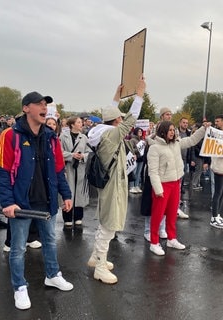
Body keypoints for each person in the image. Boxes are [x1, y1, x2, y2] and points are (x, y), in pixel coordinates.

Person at [0, 91, 73, 310]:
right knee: (18, 248)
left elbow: (59, 169)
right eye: (39, 104)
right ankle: (19, 287)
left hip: (47, 201)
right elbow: (2, 172)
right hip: (21, 204)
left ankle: (52, 274)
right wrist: (7, 203)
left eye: (45, 104)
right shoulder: (10, 136)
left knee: (50, 241)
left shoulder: (51, 137)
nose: (44, 108)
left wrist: (66, 194)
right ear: (26, 108)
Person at [86, 76, 146, 284]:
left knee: (105, 223)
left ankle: (96, 257)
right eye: (119, 117)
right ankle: (100, 267)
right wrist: (139, 95)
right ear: (117, 121)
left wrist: (116, 98)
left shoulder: (100, 131)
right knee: (109, 226)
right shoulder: (112, 134)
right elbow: (131, 119)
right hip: (113, 183)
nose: (121, 119)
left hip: (108, 181)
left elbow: (111, 115)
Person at [147, 120, 211, 255]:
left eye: (173, 130)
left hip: (176, 182)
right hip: (163, 185)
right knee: (158, 215)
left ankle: (172, 238)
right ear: (163, 131)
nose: (173, 132)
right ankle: (154, 242)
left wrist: (203, 129)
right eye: (170, 130)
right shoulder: (155, 148)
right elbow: (153, 171)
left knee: (171, 213)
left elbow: (192, 140)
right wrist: (158, 189)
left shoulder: (176, 143)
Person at [59, 117, 90, 227]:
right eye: (78, 122)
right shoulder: (63, 136)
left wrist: (82, 156)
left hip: (80, 168)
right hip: (68, 168)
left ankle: (78, 216)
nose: (81, 124)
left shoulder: (84, 137)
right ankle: (67, 216)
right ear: (72, 124)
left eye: (81, 122)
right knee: (68, 190)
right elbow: (59, 152)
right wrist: (71, 155)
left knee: (79, 192)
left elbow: (89, 152)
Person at [128, 127, 145, 193]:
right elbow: (131, 149)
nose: (140, 132)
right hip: (135, 158)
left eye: (141, 131)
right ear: (136, 132)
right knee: (134, 173)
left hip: (141, 158)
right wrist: (137, 150)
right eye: (139, 131)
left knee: (138, 173)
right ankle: (132, 186)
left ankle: (137, 185)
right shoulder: (132, 140)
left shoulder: (142, 140)